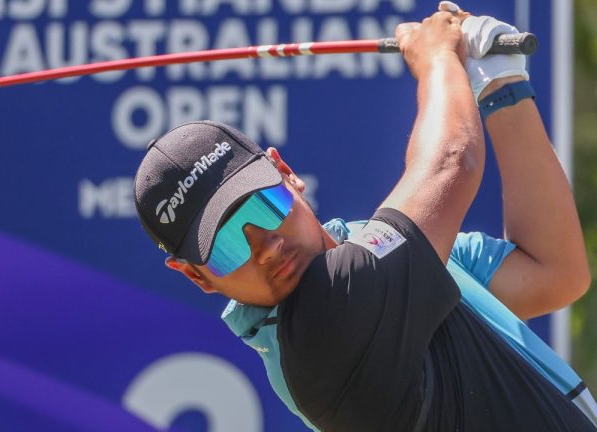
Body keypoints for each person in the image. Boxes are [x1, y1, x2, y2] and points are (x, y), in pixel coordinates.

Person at [133, 2, 596, 431]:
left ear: (286, 173)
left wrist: (501, 84)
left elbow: (552, 273)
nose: (266, 246)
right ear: (198, 277)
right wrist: (437, 59)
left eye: (263, 205)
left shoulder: (369, 246)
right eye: (229, 245)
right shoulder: (324, 325)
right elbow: (451, 160)